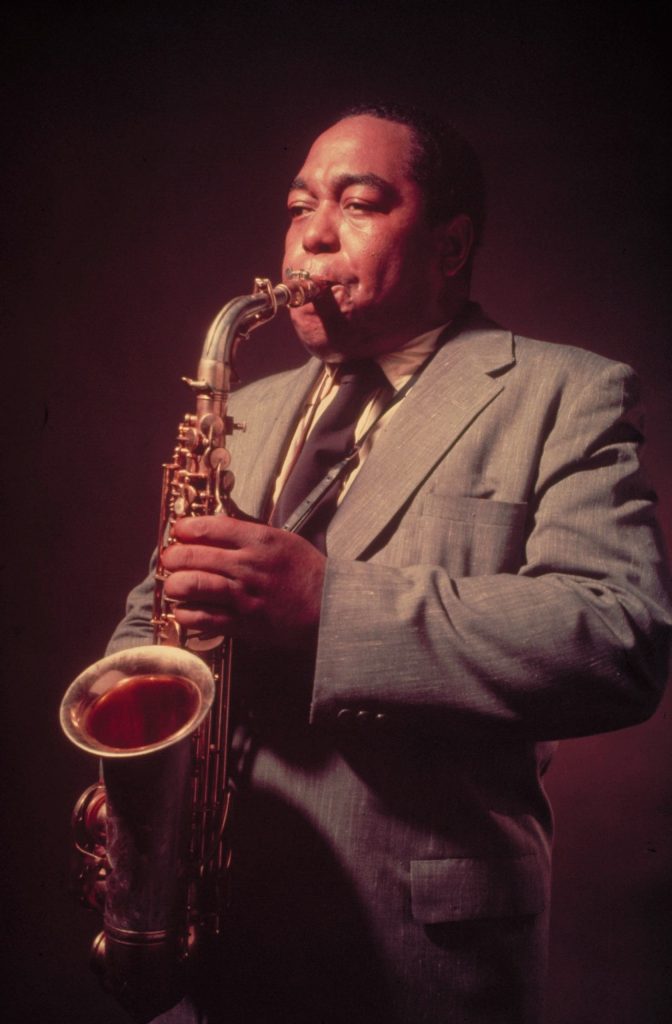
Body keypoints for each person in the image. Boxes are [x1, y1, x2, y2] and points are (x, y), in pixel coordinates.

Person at [107, 105, 672, 1024]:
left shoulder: (566, 392)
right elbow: (159, 610)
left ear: (451, 247)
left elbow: (620, 639)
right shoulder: (246, 409)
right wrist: (137, 767)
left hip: (412, 958)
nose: (312, 236)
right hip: (210, 940)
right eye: (299, 207)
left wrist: (332, 607)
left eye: (359, 204)